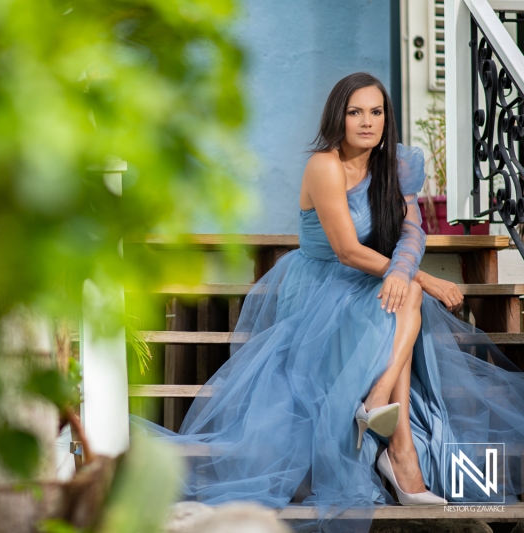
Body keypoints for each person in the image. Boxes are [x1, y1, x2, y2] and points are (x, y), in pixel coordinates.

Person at [129, 72, 524, 533]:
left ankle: (381, 409)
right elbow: (346, 252)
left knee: (404, 298)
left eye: (376, 112)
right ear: (338, 116)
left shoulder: (396, 165)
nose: (367, 122)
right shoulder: (324, 165)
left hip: (372, 284)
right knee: (411, 295)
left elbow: (413, 230)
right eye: (355, 111)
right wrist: (419, 278)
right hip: (320, 287)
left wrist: (404, 271)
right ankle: (400, 454)